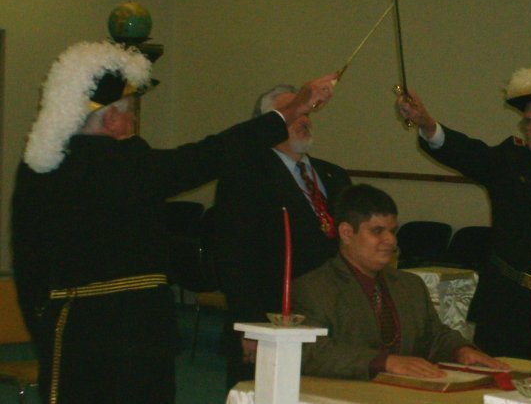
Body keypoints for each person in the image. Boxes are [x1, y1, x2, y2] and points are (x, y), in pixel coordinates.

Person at [10, 40, 336, 404]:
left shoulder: (37, 171)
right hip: (139, 329)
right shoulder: (128, 162)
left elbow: (27, 264)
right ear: (111, 118)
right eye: (129, 114)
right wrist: (290, 111)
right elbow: (211, 154)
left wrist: (47, 326)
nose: (133, 122)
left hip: (69, 328)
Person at [396, 62, 531, 370]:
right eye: (529, 122)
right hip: (505, 311)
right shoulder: (510, 164)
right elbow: (467, 153)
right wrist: (427, 123)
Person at [211, 84, 351, 389]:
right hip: (272, 316)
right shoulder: (245, 176)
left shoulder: (335, 175)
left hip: (332, 319)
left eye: (306, 112)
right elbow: (234, 256)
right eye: (293, 113)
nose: (304, 119)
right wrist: (249, 326)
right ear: (266, 125)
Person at [291, 184, 507, 380]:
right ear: (346, 233)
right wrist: (384, 362)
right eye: (377, 231)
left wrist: (460, 350)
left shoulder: (410, 285)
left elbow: (434, 336)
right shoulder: (313, 288)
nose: (391, 240)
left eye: (393, 231)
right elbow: (310, 351)